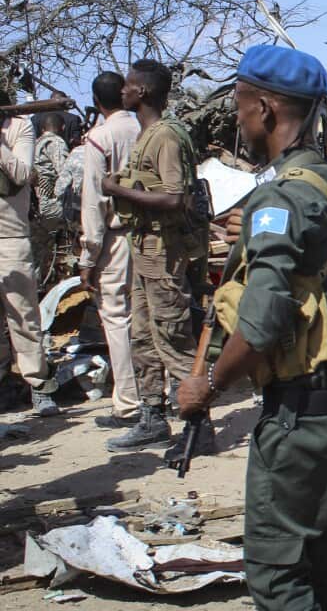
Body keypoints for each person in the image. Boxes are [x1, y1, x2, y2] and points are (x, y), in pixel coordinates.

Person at [176, 45, 327, 610]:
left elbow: (262, 322)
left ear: (263, 108)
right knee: (320, 554)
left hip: (299, 414)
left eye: (240, 104)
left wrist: (207, 386)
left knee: (276, 569)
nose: (237, 119)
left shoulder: (281, 196)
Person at [103, 59, 209, 456]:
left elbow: (173, 198)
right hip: (145, 249)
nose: (123, 91)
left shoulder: (164, 136)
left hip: (163, 253)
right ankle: (152, 418)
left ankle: (198, 426)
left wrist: (117, 190)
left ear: (142, 91)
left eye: (128, 85)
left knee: (173, 336)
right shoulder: (147, 134)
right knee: (144, 337)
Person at [80, 71, 142, 428]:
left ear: (97, 102)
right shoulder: (145, 128)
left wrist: (88, 257)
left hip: (116, 238)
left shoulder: (99, 138)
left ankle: (129, 403)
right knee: (149, 315)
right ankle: (160, 393)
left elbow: (94, 203)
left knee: (117, 318)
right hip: (150, 235)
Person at [0, 89, 59, 416]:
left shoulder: (18, 127)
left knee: (23, 316)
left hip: (9, 236)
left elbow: (22, 174)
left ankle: (38, 384)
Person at [31, 113, 70, 283]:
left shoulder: (35, 144)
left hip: (36, 205)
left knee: (37, 248)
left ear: (42, 128)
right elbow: (65, 174)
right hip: (50, 204)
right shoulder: (56, 143)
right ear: (62, 127)